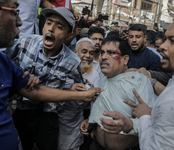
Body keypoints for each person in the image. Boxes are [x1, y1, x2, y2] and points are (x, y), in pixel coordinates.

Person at [0, 1, 101, 150]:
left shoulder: (73, 61)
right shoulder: (25, 43)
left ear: (69, 35)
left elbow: (81, 86)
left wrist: (77, 89)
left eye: (59, 27)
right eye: (48, 23)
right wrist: (17, 73)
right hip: (21, 111)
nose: (51, 29)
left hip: (47, 116)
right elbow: (3, 61)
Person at [102, 14, 174, 150]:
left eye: (173, 41)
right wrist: (150, 114)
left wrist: (144, 117)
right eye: (165, 39)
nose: (162, 47)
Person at [80, 36, 155, 150]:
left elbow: (149, 122)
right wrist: (91, 121)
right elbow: (101, 105)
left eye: (111, 53)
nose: (103, 57)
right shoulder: (104, 77)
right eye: (102, 52)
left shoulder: (139, 81)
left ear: (125, 59)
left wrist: (128, 124)